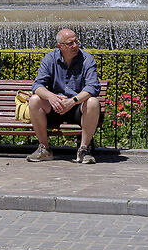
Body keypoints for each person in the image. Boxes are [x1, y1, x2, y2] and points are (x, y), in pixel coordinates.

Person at [28, 26, 102, 163]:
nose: (75, 45)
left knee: (93, 102)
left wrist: (73, 101)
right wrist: (51, 97)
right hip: (55, 106)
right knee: (34, 100)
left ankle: (83, 150)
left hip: (77, 107)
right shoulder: (49, 58)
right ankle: (44, 149)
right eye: (70, 43)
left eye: (76, 42)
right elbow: (37, 86)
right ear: (60, 46)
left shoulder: (87, 59)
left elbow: (93, 87)